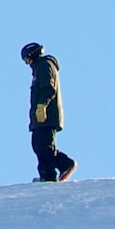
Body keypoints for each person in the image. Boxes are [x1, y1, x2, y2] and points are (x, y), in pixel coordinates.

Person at [22, 42, 76, 182]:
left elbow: (48, 89)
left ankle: (49, 176)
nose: (27, 63)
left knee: (43, 146)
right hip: (40, 117)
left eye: (27, 59)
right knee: (39, 145)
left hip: (47, 115)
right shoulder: (39, 68)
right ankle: (62, 165)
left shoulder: (44, 66)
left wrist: (42, 106)